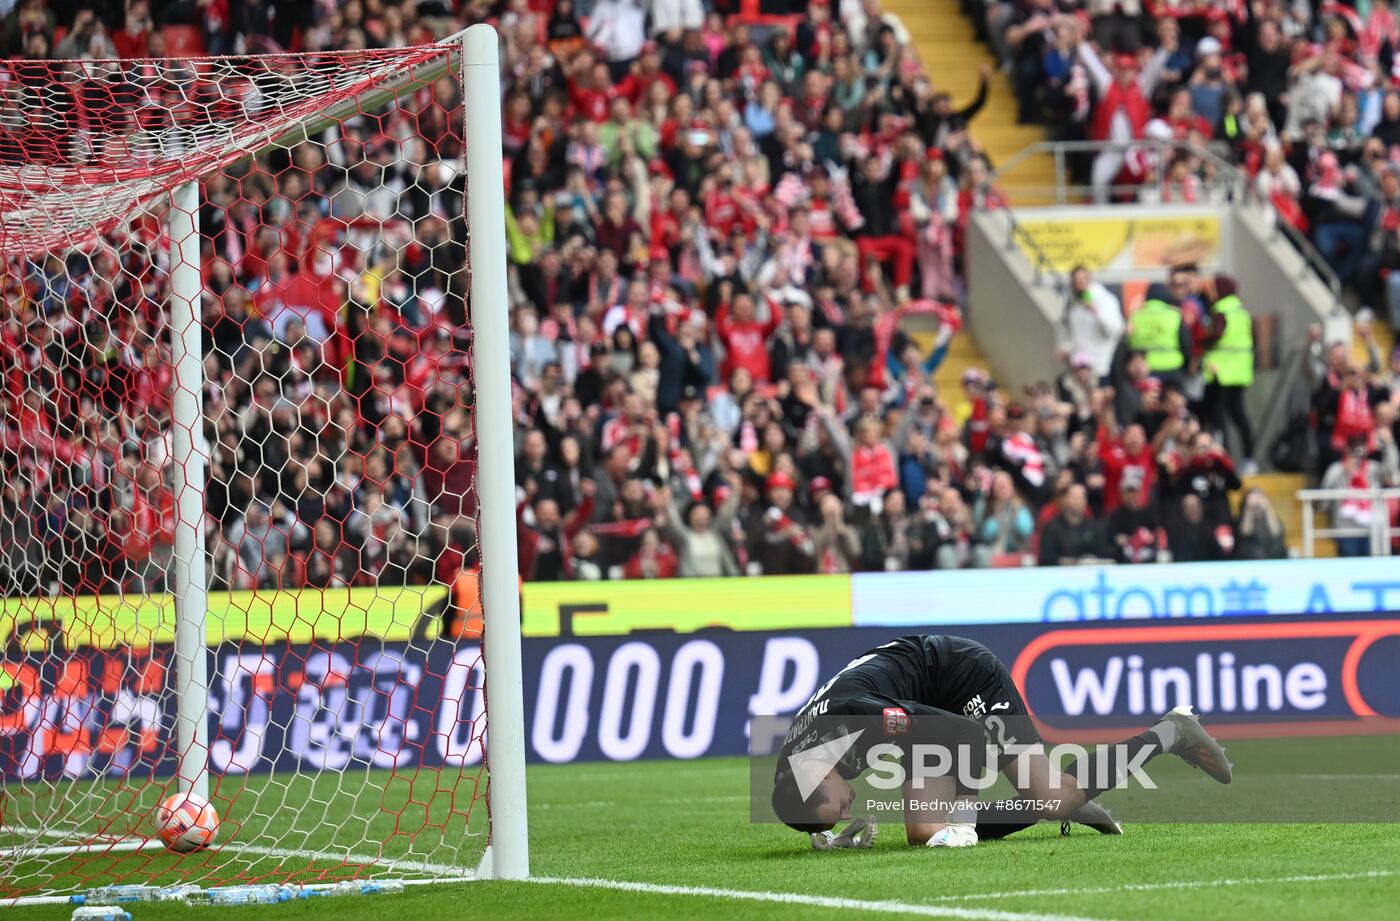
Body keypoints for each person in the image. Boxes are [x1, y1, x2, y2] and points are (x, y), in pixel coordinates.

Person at [770, 634, 1232, 848]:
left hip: (960, 677)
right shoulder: (794, 765)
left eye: (838, 804)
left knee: (1050, 798)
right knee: (923, 837)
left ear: (816, 773)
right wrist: (826, 834)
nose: (850, 807)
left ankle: (1172, 731)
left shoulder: (855, 719)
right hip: (917, 712)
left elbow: (961, 732)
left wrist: (966, 818)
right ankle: (1067, 802)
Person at [1201, 275, 1257, 474]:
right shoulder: (1241, 311)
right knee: (1239, 415)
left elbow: (1216, 335)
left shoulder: (1221, 310)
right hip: (1240, 372)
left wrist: (1202, 340)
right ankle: (1249, 458)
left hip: (1221, 373)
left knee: (1219, 418)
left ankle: (1224, 458)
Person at [1058, 266, 1123, 379]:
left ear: (1090, 280)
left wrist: (1096, 312)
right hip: (1078, 367)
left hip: (1099, 367)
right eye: (1076, 281)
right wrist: (1065, 347)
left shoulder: (1105, 300)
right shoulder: (1072, 304)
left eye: (1083, 280)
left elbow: (1114, 329)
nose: (1080, 285)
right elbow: (1071, 332)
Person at [1125, 282, 1190, 388]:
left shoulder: (1136, 315)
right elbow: (1186, 343)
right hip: (1172, 366)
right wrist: (1186, 366)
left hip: (1143, 368)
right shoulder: (1174, 315)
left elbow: (1128, 342)